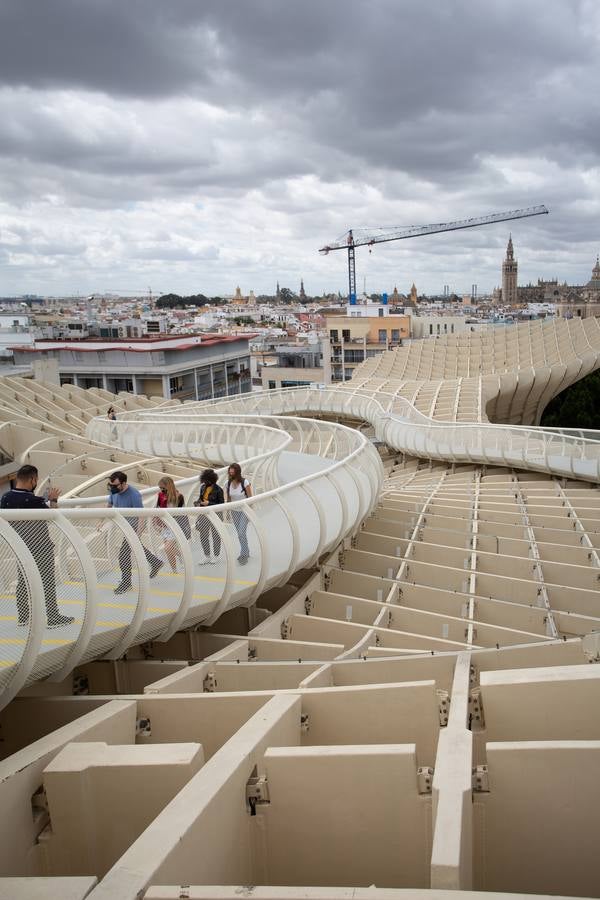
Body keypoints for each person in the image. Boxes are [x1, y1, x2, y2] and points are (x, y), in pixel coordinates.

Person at [0, 464, 74, 628]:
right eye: (36, 479)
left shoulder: (5, 498)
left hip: (19, 546)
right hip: (41, 547)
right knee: (47, 580)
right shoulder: (33, 500)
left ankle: (23, 617)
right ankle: (53, 617)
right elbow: (52, 516)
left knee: (23, 581)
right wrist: (53, 499)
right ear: (32, 479)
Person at [106, 471, 163, 594]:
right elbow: (109, 505)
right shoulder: (114, 491)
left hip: (133, 528)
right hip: (125, 527)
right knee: (137, 548)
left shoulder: (134, 495)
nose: (112, 488)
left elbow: (141, 516)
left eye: (115, 485)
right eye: (111, 485)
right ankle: (156, 562)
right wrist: (101, 520)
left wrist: (138, 533)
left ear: (124, 483)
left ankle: (126, 583)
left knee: (123, 556)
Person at [154, 476, 189, 572]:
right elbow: (157, 509)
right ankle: (178, 564)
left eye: (163, 487)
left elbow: (182, 513)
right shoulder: (160, 496)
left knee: (167, 548)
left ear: (169, 486)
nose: (161, 490)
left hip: (175, 526)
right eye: (160, 488)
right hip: (165, 526)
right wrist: (156, 521)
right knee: (170, 548)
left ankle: (175, 568)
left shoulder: (179, 497)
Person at [194, 469, 224, 564]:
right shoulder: (203, 487)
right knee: (203, 535)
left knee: (215, 536)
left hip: (215, 515)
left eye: (206, 480)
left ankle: (216, 556)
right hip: (204, 515)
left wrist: (209, 503)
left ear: (211, 480)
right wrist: (198, 502)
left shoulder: (219, 490)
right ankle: (207, 556)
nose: (204, 482)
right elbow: (201, 498)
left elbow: (221, 504)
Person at [226, 463, 253, 565]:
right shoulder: (228, 483)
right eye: (230, 472)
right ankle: (246, 551)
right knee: (240, 534)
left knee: (241, 532)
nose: (231, 474)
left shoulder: (245, 482)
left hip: (244, 511)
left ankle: (244, 554)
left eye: (233, 473)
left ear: (237, 472)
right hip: (234, 511)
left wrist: (250, 513)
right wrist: (228, 512)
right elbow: (228, 499)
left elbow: (251, 498)